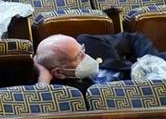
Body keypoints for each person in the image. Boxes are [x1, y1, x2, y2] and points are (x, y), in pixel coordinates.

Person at [33, 33, 166, 90]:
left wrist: (153, 63)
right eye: (78, 57)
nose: (86, 56)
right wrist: (43, 78)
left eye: (83, 50)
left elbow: (132, 38)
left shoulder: (89, 42)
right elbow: (41, 103)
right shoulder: (69, 90)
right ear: (59, 73)